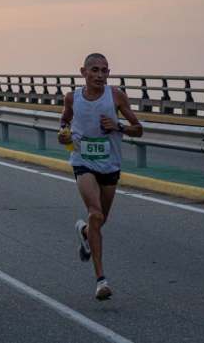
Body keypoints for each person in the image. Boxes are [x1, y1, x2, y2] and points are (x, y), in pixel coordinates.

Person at [58, 53, 143, 300]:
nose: (99, 75)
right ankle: (101, 280)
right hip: (82, 161)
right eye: (94, 70)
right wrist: (63, 133)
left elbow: (139, 130)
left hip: (110, 165)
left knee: (99, 220)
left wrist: (118, 126)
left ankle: (85, 232)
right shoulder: (72, 98)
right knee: (95, 213)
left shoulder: (116, 96)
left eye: (104, 71)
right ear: (83, 72)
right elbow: (64, 121)